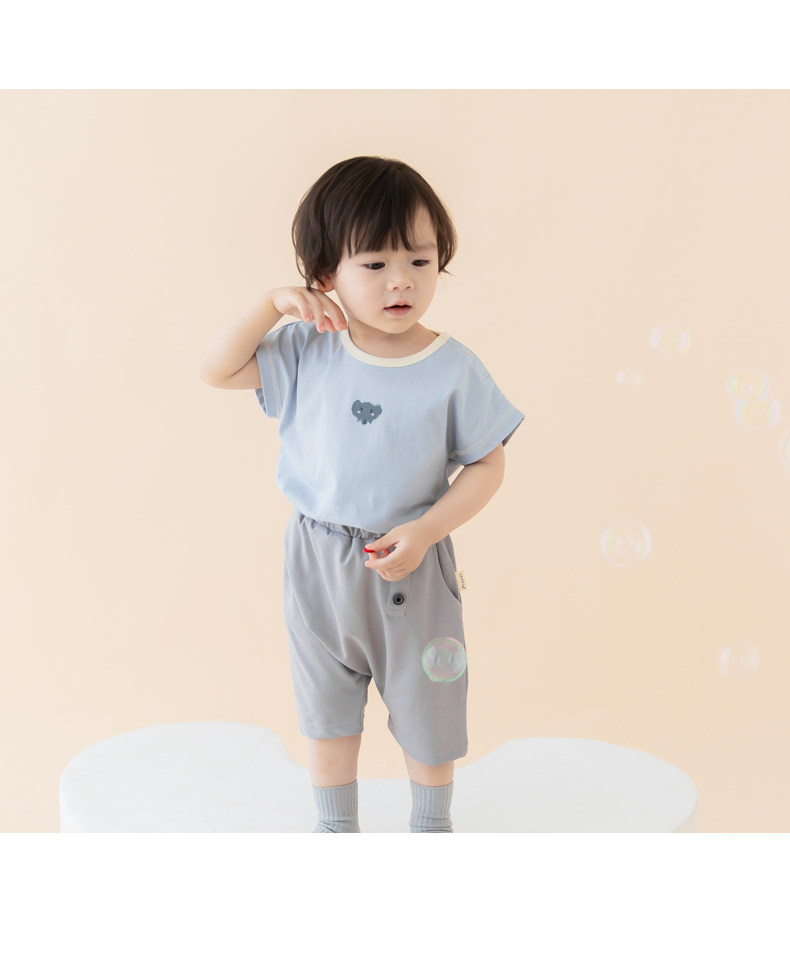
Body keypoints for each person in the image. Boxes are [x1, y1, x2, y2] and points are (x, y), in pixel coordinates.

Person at [199, 156, 524, 832]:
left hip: (410, 562)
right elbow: (217, 369)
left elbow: (488, 465)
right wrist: (269, 305)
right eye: (374, 263)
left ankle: (431, 826)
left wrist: (428, 530)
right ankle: (334, 829)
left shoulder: (453, 367)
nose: (401, 279)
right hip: (317, 562)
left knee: (430, 709)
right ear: (325, 276)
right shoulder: (306, 349)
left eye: (420, 260)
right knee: (326, 711)